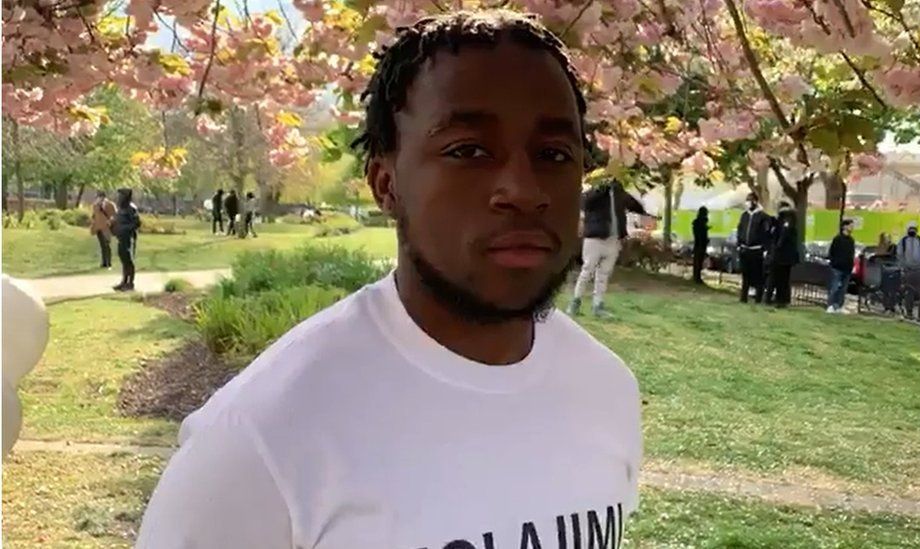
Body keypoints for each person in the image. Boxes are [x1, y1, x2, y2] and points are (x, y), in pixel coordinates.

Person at [136, 11, 642, 549]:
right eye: (468, 151)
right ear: (386, 184)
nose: (523, 189)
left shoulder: (607, 390)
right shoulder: (262, 438)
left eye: (554, 154)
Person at [568, 179, 649, 317]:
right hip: (594, 239)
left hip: (613, 240)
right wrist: (600, 188)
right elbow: (584, 203)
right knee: (587, 271)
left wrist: (644, 210)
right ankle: (575, 302)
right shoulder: (594, 194)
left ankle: (598, 305)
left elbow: (634, 204)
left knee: (603, 274)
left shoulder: (619, 193)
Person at [736, 192, 771, 303]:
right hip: (744, 249)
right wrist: (739, 244)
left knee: (758, 275)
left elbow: (766, 234)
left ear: (755, 201)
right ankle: (743, 297)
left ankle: (758, 298)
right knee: (745, 275)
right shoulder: (744, 216)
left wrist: (765, 248)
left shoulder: (763, 216)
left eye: (750, 200)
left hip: (757, 250)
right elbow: (740, 230)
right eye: (747, 200)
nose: (748, 203)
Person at [766, 202, 799, 308]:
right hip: (785, 256)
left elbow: (782, 236)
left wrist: (776, 247)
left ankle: (780, 299)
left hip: (781, 255)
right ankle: (781, 299)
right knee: (783, 278)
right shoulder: (789, 219)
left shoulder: (785, 219)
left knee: (780, 278)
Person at [897, 221, 920, 321]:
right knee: (909, 293)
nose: (912, 231)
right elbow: (900, 255)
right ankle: (909, 313)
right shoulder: (903, 241)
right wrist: (903, 268)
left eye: (914, 229)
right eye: (910, 229)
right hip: (908, 271)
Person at [111, 188, 141, 292]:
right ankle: (124, 281)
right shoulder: (121, 208)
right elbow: (118, 220)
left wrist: (124, 229)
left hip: (129, 238)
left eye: (120, 195)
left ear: (125, 197)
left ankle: (130, 283)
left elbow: (136, 223)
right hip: (121, 238)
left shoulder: (131, 208)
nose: (118, 197)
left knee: (128, 260)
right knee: (123, 259)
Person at [827, 219, 856, 313]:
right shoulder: (838, 239)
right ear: (844, 226)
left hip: (847, 268)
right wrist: (834, 262)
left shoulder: (851, 240)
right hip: (837, 267)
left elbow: (851, 254)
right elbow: (832, 252)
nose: (852, 228)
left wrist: (851, 265)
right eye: (850, 225)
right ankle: (831, 305)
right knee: (835, 287)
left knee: (843, 289)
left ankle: (839, 305)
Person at [90, 190, 116, 269]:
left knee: (107, 244)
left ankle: (108, 262)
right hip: (98, 227)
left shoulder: (110, 205)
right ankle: (104, 262)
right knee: (102, 245)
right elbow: (94, 216)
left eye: (99, 197)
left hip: (106, 227)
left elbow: (114, 215)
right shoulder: (95, 205)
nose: (98, 199)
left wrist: (110, 221)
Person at [692, 206, 709, 284]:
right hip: (700, 244)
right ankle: (697, 277)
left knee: (697, 261)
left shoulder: (697, 222)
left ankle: (696, 276)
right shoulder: (701, 222)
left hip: (698, 244)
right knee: (699, 261)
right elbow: (701, 234)